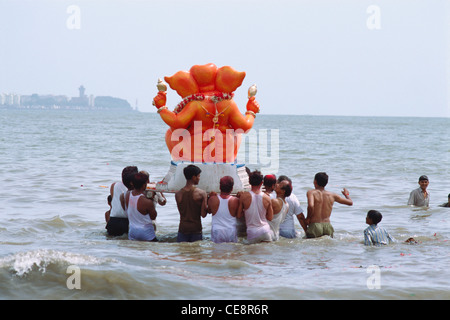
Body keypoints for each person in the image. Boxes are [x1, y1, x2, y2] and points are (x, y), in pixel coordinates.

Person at [300, 172, 353, 238]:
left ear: (315, 181)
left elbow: (311, 206)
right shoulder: (332, 195)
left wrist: (308, 218)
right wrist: (346, 195)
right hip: (327, 226)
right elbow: (350, 202)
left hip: (315, 225)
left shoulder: (311, 192)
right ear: (326, 183)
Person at [237, 170, 273, 244]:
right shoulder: (267, 198)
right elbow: (270, 217)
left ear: (249, 182)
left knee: (251, 254)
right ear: (262, 183)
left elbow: (238, 215)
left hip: (252, 232)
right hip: (265, 231)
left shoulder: (243, 197)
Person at [175, 164, 208, 242]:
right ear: (194, 177)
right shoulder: (202, 193)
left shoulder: (178, 194)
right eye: (198, 176)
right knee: (195, 253)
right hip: (196, 230)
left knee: (182, 253)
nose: (199, 178)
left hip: (182, 229)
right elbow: (203, 215)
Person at [122, 172, 158, 242]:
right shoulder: (147, 201)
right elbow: (153, 216)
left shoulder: (128, 195)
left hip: (132, 231)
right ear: (144, 185)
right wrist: (152, 199)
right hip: (146, 233)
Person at [105, 166, 138, 236]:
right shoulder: (136, 189)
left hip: (114, 220)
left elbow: (113, 204)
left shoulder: (114, 185)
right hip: (127, 221)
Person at [208, 176, 239, 243]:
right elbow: (240, 214)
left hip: (217, 231)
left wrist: (209, 197)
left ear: (220, 187)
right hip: (231, 231)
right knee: (233, 252)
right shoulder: (235, 200)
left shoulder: (212, 199)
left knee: (217, 252)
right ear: (232, 188)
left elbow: (208, 211)